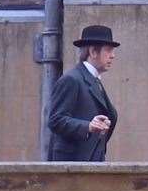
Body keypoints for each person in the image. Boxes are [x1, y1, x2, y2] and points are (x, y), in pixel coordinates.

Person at [47, 25, 119, 162]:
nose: (113, 56)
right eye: (108, 50)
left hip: (91, 161)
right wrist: (88, 126)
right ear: (93, 52)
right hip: (72, 165)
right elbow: (56, 120)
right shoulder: (72, 79)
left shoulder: (94, 80)